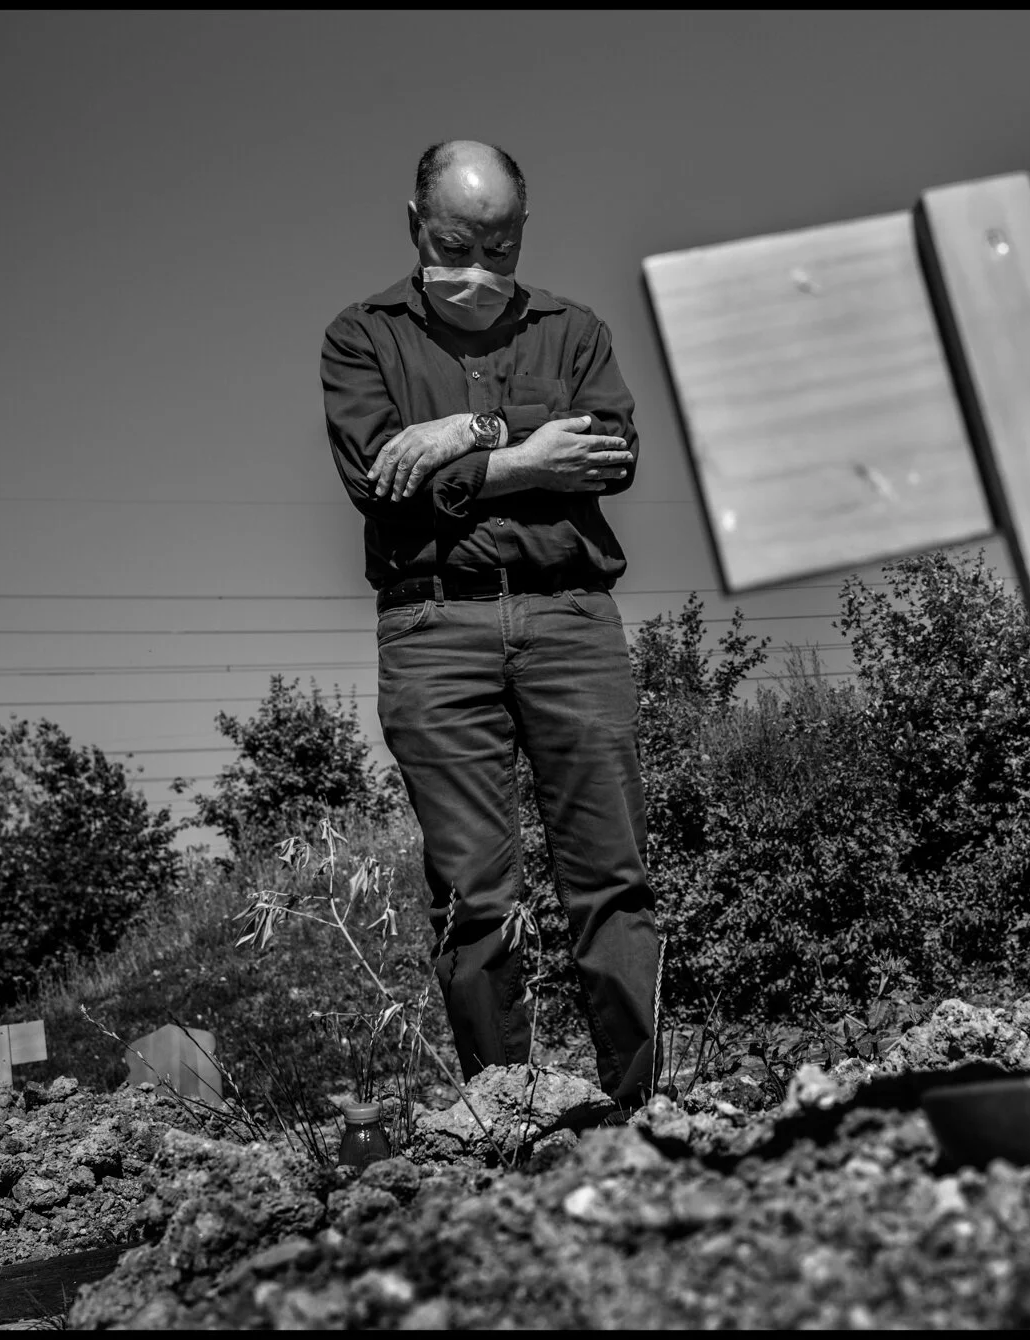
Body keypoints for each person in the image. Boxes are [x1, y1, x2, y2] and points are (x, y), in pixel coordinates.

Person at [319, 139, 661, 1108]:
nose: (479, 269)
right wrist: (520, 453)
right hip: (433, 627)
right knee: (473, 897)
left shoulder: (574, 328)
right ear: (415, 223)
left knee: (612, 879)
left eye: (500, 246)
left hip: (570, 619)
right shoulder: (360, 336)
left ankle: (641, 1109)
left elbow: (606, 453)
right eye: (457, 245)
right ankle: (504, 1120)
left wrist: (463, 439)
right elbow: (376, 484)